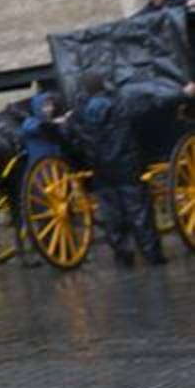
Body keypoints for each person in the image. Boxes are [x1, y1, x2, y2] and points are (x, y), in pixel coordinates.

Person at [66, 73, 171, 267]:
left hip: (100, 170)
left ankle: (123, 256)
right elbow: (149, 106)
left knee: (112, 215)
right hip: (126, 164)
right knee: (139, 211)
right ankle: (152, 255)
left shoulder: (79, 114)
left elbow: (69, 132)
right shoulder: (120, 104)